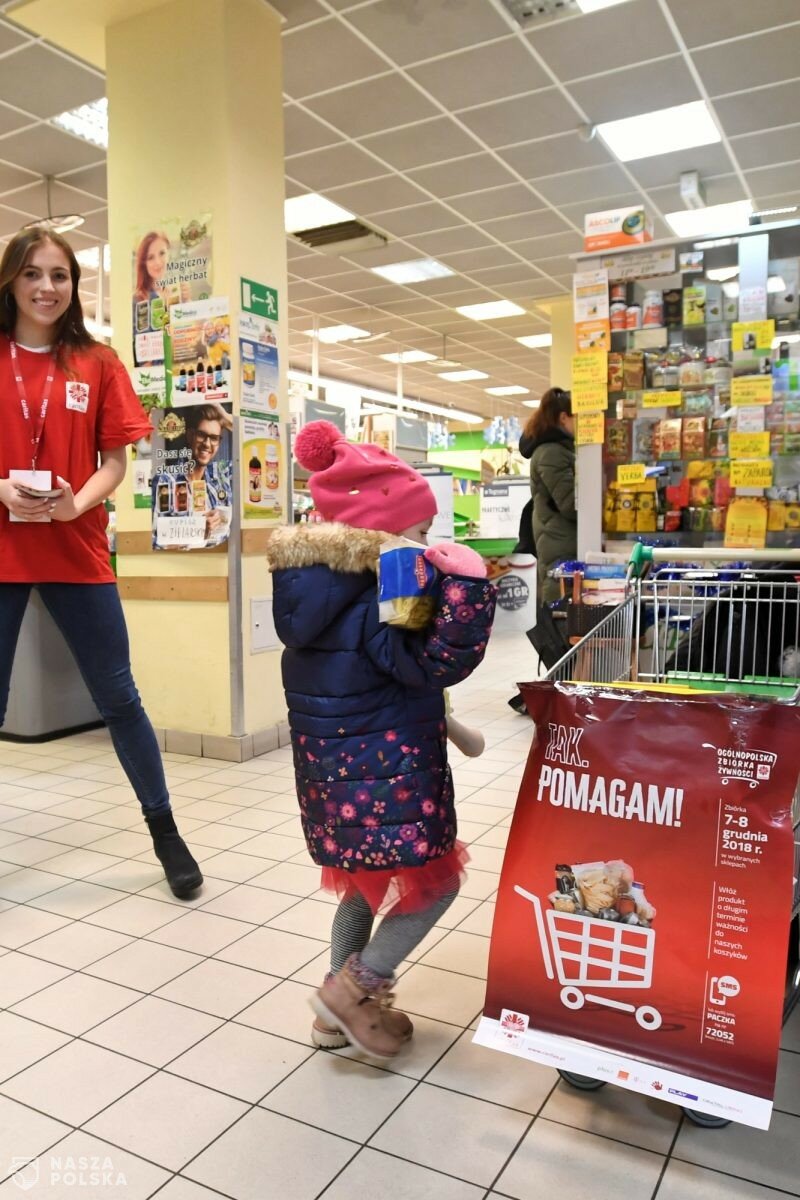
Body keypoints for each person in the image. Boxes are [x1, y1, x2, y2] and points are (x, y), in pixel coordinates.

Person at [267, 421, 496, 1059]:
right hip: (389, 774)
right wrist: (470, 588)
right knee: (439, 885)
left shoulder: (313, 589)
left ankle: (331, 1016)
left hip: (335, 782)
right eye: (421, 532)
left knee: (362, 883)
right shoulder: (386, 588)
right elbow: (431, 665)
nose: (429, 543)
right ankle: (354, 990)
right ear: (383, 531)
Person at [0, 228, 203, 900]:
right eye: (33, 274)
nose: (47, 288)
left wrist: (72, 503)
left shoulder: (97, 361)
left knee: (118, 697)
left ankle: (165, 830)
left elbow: (117, 461)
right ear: (11, 280)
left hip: (74, 546)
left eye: (60, 275)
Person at [524, 386, 576, 606]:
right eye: (579, 417)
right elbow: (569, 503)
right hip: (559, 543)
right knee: (561, 605)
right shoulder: (552, 452)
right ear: (564, 417)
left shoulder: (559, 449)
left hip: (559, 540)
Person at [183, 403, 233, 544]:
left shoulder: (220, 474)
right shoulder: (167, 478)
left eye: (214, 438)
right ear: (190, 435)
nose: (207, 444)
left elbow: (252, 445)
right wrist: (197, 530)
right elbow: (156, 539)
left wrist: (227, 420)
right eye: (201, 435)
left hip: (220, 558)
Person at [133, 231, 171, 305]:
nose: (158, 262)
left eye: (162, 253)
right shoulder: (137, 300)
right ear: (144, 264)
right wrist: (165, 306)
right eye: (150, 258)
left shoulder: (172, 291)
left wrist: (186, 301)